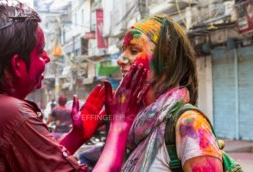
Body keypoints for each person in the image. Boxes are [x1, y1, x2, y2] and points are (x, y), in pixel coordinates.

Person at [0, 1, 148, 171]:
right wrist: (119, 125)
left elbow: (44, 165)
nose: (47, 58)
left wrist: (77, 136)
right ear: (17, 65)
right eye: (40, 52)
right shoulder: (14, 115)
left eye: (134, 51)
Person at [96, 15, 224, 171]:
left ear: (166, 59)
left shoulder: (190, 126)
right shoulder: (137, 129)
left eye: (134, 50)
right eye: (124, 51)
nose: (120, 59)